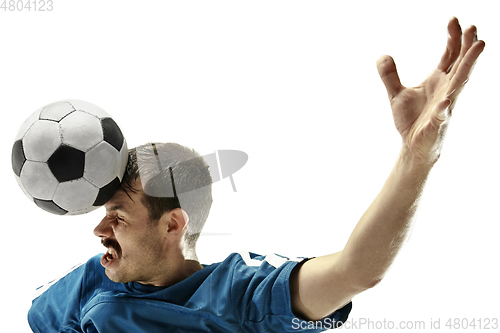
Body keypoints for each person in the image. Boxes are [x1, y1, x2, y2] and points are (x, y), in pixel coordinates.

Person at [28, 17, 485, 332]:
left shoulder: (237, 292)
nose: (99, 229)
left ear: (173, 224)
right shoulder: (95, 279)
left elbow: (354, 272)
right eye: (107, 212)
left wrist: (415, 158)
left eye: (119, 217)